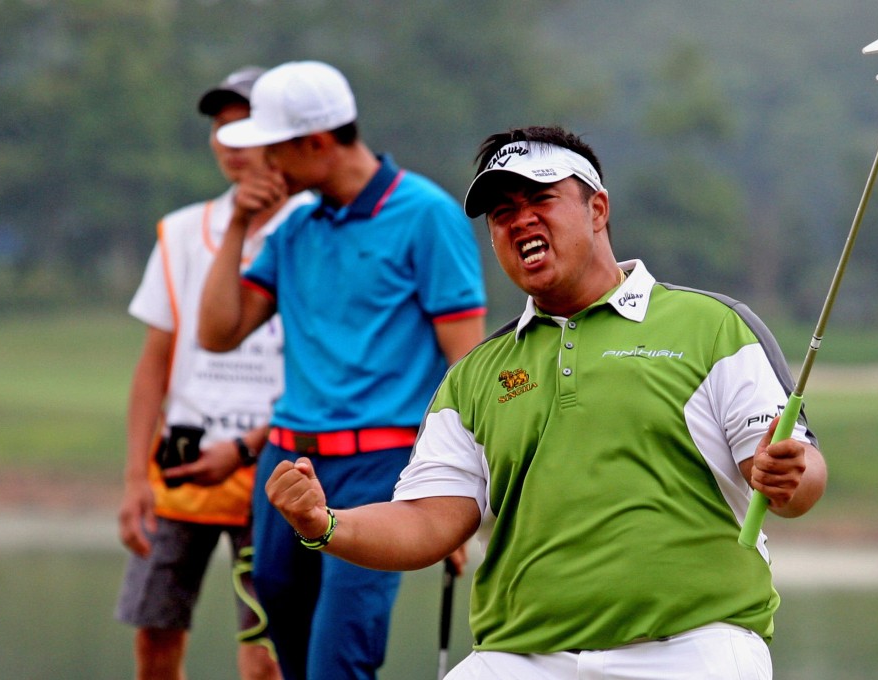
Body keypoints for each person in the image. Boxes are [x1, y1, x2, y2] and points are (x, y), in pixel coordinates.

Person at [265, 125, 829, 680]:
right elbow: (427, 520)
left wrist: (787, 476)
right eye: (502, 212)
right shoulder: (475, 374)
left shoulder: (713, 326)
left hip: (692, 646)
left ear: (597, 209)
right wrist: (324, 523)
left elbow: (795, 475)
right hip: (520, 655)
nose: (521, 220)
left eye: (541, 198)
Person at [197, 61, 487, 680]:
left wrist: (456, 498)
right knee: (292, 651)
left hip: (378, 468)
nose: (261, 166)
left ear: (317, 143)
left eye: (273, 151)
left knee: (339, 660)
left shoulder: (426, 215)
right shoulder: (295, 226)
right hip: (286, 464)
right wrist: (239, 224)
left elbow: (467, 367)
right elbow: (217, 333)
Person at [116, 65, 314, 680]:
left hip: (279, 463)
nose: (230, 141)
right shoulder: (180, 232)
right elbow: (154, 362)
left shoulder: (317, 227)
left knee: (265, 657)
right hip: (183, 462)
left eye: (245, 126)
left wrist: (250, 445)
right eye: (220, 128)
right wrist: (134, 478)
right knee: (155, 638)